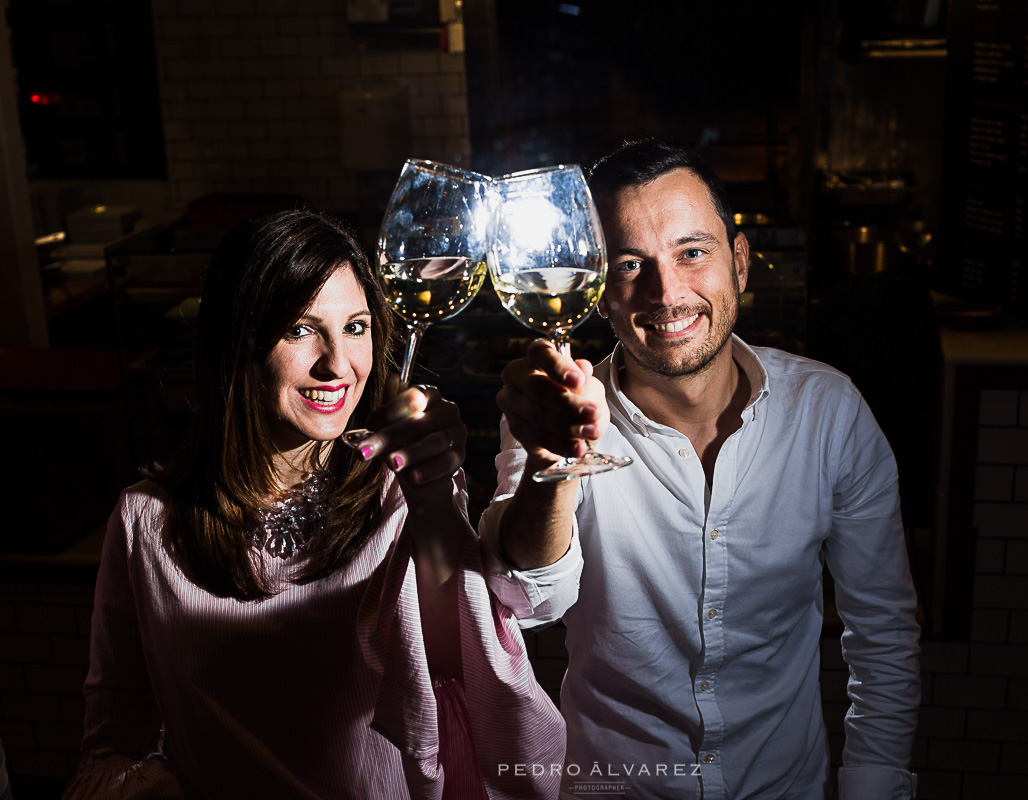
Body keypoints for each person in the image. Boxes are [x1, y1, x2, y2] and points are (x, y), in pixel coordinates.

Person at [65, 209, 564, 799]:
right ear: (239, 340)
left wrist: (436, 499)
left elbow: (459, 676)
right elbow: (113, 738)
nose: (336, 364)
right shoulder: (146, 522)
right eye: (301, 329)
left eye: (355, 327)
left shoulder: (397, 494)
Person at [480, 139, 921, 799]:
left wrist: (874, 791)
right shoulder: (554, 412)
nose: (667, 292)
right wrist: (553, 464)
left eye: (693, 252)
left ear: (739, 263)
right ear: (600, 291)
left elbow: (882, 631)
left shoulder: (829, 411)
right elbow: (528, 602)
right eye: (632, 265)